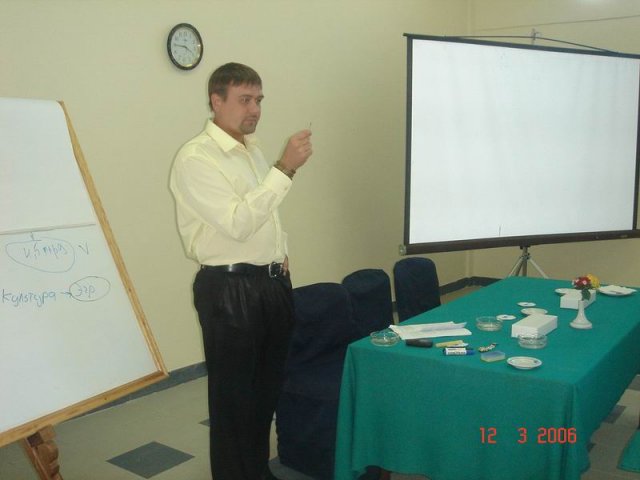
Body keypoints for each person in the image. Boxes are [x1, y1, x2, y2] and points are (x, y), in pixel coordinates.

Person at [169, 62, 312, 480]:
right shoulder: (196, 157)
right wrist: (285, 169)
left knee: (265, 395)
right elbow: (237, 222)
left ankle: (257, 472)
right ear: (216, 101)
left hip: (270, 284)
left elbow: (266, 216)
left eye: (259, 100)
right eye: (245, 99)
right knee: (233, 404)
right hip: (229, 289)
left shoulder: (252, 149)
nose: (255, 109)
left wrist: (280, 253)